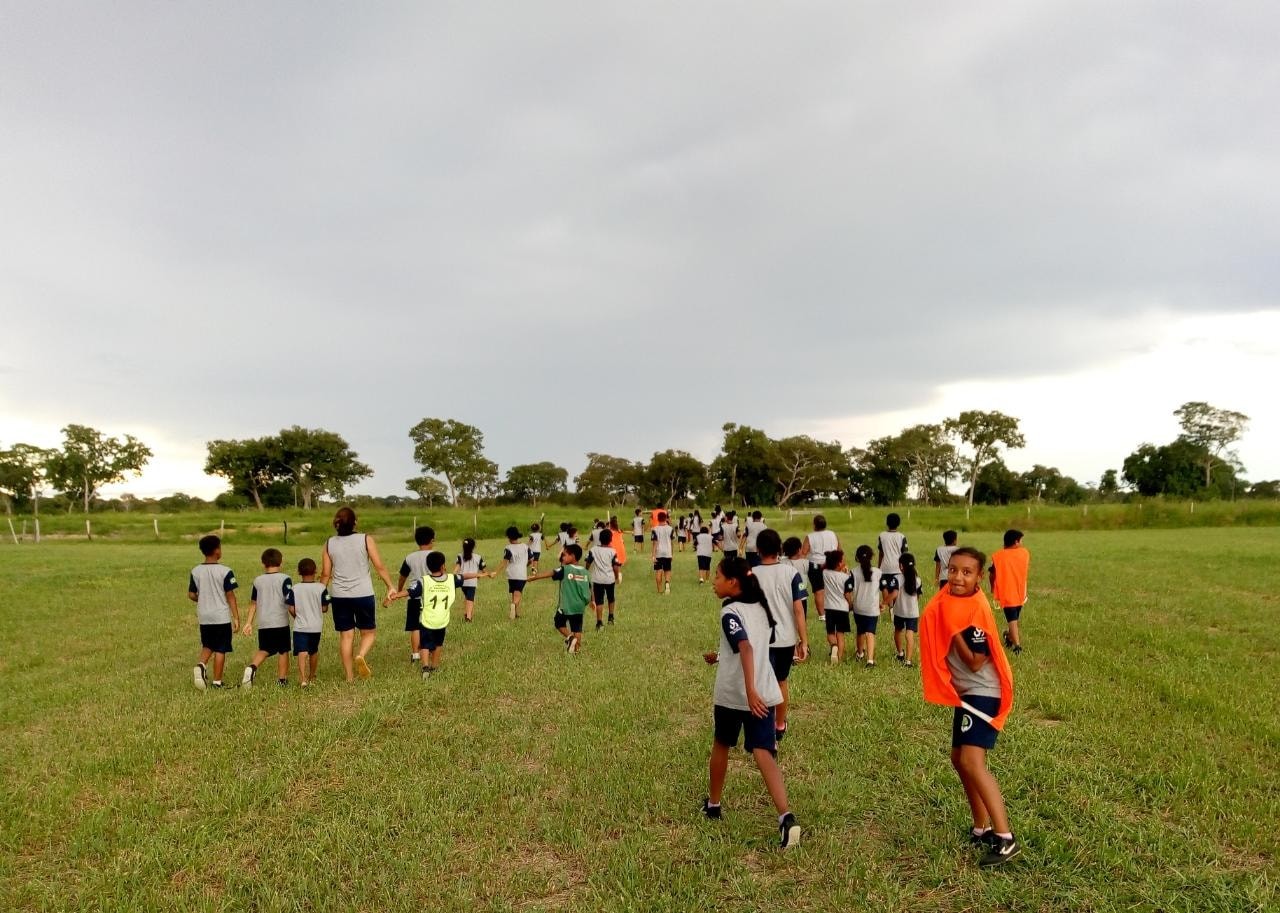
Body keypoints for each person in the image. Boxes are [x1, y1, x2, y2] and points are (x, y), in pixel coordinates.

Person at [920, 546, 1019, 867]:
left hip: (983, 692)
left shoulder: (975, 610)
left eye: (967, 572)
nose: (958, 577)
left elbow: (976, 661)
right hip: (967, 694)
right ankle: (982, 828)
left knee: (972, 762)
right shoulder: (949, 600)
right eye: (953, 570)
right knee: (958, 759)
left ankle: (1005, 838)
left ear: (979, 578)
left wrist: (952, 632)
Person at [701, 555, 800, 848]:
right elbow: (755, 645)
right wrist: (721, 656)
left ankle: (714, 805)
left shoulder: (729, 611)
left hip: (736, 694)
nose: (714, 582)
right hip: (765, 692)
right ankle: (786, 817)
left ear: (733, 582)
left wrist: (750, 690)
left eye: (717, 576)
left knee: (721, 744)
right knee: (763, 752)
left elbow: (745, 647)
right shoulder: (761, 607)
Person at [321, 507, 397, 682]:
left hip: (339, 596)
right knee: (368, 633)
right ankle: (361, 655)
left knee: (346, 636)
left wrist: (319, 594)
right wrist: (390, 586)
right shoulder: (365, 539)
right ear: (355, 522)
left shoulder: (329, 543)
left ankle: (349, 677)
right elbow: (379, 566)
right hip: (363, 594)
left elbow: (325, 573)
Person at [388, 552, 483, 678]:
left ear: (428, 567)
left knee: (425, 644)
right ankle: (435, 666)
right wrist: (478, 574)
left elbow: (409, 591)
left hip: (427, 620)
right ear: (443, 566)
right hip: (442, 621)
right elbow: (464, 576)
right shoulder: (451, 579)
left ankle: (425, 667)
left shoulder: (424, 581)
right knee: (438, 644)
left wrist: (395, 595)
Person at [752, 530, 809, 741]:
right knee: (781, 682)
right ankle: (779, 724)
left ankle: (764, 725)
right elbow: (799, 610)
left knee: (761, 684)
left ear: (758, 549)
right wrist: (804, 641)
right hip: (785, 639)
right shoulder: (791, 573)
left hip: (760, 640)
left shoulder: (751, 574)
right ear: (779, 549)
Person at [188, 534, 240, 690]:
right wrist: (236, 617)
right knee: (220, 648)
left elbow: (191, 594)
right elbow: (230, 596)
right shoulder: (225, 571)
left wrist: (203, 599)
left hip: (204, 616)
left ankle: (201, 664)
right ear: (217, 551)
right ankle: (217, 681)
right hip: (220, 616)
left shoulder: (196, 571)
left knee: (208, 644)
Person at [240, 548, 293, 688]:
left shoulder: (258, 581)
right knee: (283, 650)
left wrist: (248, 622)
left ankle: (252, 667)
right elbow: (289, 601)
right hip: (280, 622)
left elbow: (253, 603)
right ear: (281, 562)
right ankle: (282, 680)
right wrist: (296, 615)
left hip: (264, 623)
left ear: (263, 563)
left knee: (264, 649)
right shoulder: (285, 579)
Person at [528, 543, 591, 654]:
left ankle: (570, 637)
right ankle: (577, 651)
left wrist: (534, 577)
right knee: (577, 628)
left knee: (558, 623)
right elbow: (589, 587)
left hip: (567, 605)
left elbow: (550, 573)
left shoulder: (565, 569)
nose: (562, 557)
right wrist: (593, 601)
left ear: (572, 556)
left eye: (565, 555)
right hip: (579, 606)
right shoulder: (585, 572)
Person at [396, 526, 438, 663]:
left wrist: (399, 589)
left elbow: (402, 576)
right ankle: (429, 648)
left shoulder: (410, 557)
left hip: (414, 595)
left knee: (414, 625)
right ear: (432, 540)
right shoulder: (436, 555)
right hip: (432, 595)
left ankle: (415, 654)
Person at [287, 557, 330, 687]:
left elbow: (291, 608)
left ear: (299, 572)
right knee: (313, 651)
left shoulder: (294, 589)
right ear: (315, 571)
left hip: (300, 626)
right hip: (316, 626)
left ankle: (303, 678)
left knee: (302, 651)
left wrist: (297, 616)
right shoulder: (321, 588)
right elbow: (325, 608)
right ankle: (312, 675)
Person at [990, 529, 1031, 654]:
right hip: (1010, 593)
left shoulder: (998, 556)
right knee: (1012, 619)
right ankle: (1017, 646)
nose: (1022, 543)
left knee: (1014, 619)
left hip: (1017, 594)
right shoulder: (1024, 553)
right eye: (1021, 540)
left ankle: (1008, 636)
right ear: (1016, 542)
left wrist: (992, 587)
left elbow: (992, 574)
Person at [798, 515, 840, 618]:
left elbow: (803, 553)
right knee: (833, 589)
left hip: (815, 565)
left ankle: (822, 615)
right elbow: (839, 549)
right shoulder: (833, 534)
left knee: (818, 590)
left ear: (814, 525)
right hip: (832, 564)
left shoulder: (810, 536)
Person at [850, 544, 883, 667]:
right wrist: (884, 603)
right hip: (872, 608)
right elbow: (884, 590)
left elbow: (849, 590)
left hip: (858, 607)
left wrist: (850, 604)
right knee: (870, 632)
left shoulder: (853, 572)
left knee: (860, 631)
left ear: (857, 558)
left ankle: (860, 653)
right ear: (872, 557)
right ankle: (870, 660)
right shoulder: (878, 572)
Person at [821, 549, 853, 664]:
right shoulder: (845, 577)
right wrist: (850, 604)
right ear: (839, 564)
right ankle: (839, 657)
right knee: (840, 634)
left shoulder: (825, 573)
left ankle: (834, 646)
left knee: (830, 632)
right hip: (842, 609)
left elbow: (823, 566)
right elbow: (847, 594)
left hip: (829, 608)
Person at [893, 552, 924, 667]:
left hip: (899, 610)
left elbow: (894, 594)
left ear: (901, 566)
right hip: (912, 612)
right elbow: (918, 596)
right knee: (909, 634)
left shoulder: (897, 578)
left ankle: (900, 653)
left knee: (898, 631)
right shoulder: (918, 580)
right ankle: (908, 661)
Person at [493, 526, 531, 620]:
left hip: (511, 574)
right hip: (521, 574)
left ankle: (516, 613)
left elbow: (504, 562)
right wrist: (525, 565)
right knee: (518, 593)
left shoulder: (508, 548)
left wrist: (496, 572)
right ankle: (513, 605)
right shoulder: (525, 547)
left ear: (509, 537)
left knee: (514, 593)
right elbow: (531, 559)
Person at [587, 528, 621, 628]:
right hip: (609, 579)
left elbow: (588, 562)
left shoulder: (593, 550)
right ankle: (611, 617)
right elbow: (615, 566)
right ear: (610, 539)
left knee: (599, 600)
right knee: (611, 598)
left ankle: (599, 622)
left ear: (600, 539)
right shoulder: (612, 551)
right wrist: (616, 576)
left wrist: (586, 571)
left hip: (597, 579)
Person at [877, 512, 908, 613]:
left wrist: (879, 567)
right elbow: (904, 554)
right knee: (895, 589)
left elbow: (881, 553)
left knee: (885, 587)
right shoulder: (901, 537)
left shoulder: (882, 536)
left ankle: (889, 607)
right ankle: (894, 608)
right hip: (898, 568)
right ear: (898, 523)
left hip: (885, 567)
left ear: (887, 523)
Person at [455, 537, 490, 623]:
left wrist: (453, 576)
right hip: (472, 582)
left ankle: (466, 612)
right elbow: (484, 570)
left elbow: (457, 568)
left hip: (462, 581)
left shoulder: (459, 556)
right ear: (473, 547)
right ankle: (468, 617)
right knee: (470, 598)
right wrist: (490, 574)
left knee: (467, 597)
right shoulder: (478, 557)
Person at [781, 537, 810, 617]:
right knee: (801, 618)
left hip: (786, 596)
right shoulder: (805, 563)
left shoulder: (781, 562)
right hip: (801, 597)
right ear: (799, 550)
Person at [651, 511, 675, 595]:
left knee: (658, 571)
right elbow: (672, 543)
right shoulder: (670, 529)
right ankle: (667, 582)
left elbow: (654, 543)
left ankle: (659, 590)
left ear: (658, 519)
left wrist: (653, 555)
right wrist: (672, 554)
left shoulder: (655, 529)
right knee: (667, 570)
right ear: (666, 518)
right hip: (668, 552)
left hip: (658, 553)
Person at [608, 516, 628, 583]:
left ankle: (617, 576)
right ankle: (617, 575)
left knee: (613, 564)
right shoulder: (619, 531)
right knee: (617, 564)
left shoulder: (609, 532)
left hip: (614, 550)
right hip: (620, 549)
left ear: (610, 525)